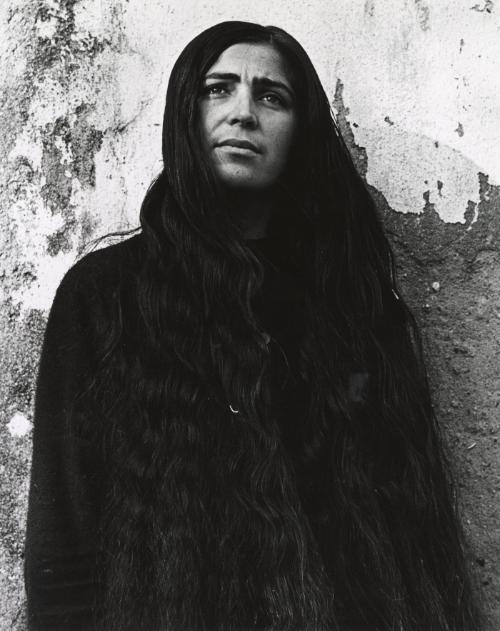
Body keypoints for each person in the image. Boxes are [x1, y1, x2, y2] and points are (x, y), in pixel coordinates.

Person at [24, 20, 481, 631]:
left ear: (301, 132)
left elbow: (406, 536)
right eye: (218, 89)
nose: (243, 113)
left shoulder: (346, 303)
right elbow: (64, 536)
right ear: (184, 114)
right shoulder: (104, 295)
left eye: (272, 96)